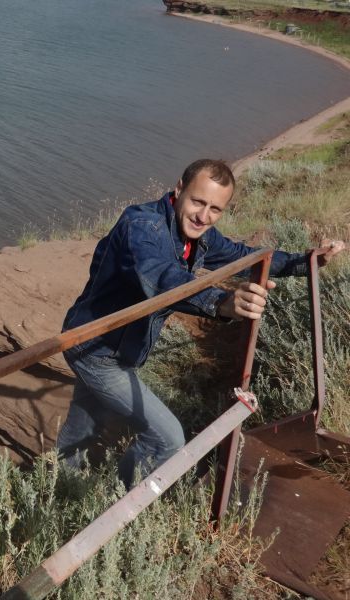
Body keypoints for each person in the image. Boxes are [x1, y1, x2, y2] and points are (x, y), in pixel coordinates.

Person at [56, 158, 345, 489]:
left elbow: (244, 255)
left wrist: (306, 261)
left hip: (122, 350)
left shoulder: (199, 235)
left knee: (86, 419)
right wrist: (222, 303)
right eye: (197, 201)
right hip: (96, 348)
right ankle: (114, 503)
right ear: (179, 189)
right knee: (167, 438)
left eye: (215, 209)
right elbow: (162, 278)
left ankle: (59, 482)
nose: (203, 216)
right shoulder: (142, 227)